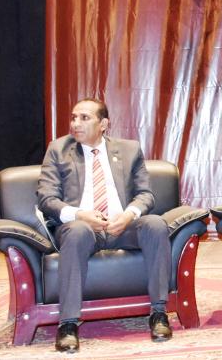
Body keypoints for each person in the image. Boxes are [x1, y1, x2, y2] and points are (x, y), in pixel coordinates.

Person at [36, 98, 172, 353]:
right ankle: (68, 324)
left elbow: (146, 195)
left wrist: (129, 215)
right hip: (82, 228)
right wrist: (79, 215)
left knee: (155, 225)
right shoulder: (58, 149)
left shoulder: (129, 149)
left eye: (84, 118)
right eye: (74, 117)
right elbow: (46, 198)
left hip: (122, 225)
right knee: (77, 231)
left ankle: (159, 313)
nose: (76, 123)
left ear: (103, 124)